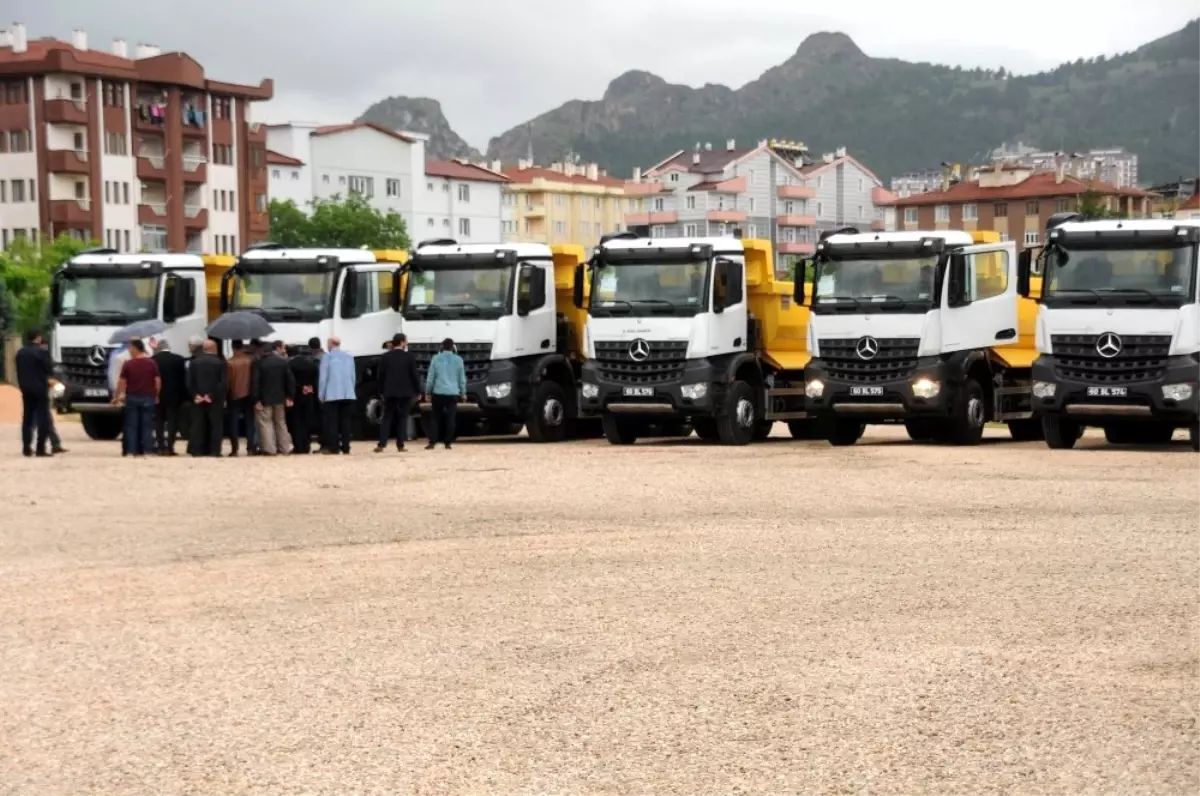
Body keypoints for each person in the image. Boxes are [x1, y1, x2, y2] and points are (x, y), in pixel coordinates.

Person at [375, 332, 422, 453]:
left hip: (389, 392)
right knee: (403, 418)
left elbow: (381, 376)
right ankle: (400, 444)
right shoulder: (409, 357)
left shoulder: (385, 357)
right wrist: (418, 390)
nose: (407, 343)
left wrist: (381, 391)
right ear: (401, 342)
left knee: (387, 417)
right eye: (406, 341)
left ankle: (382, 443)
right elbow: (414, 376)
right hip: (406, 392)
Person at [114, 338, 160, 457]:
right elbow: (157, 381)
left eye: (130, 347)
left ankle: (131, 450)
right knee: (147, 425)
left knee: (132, 426)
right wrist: (156, 395)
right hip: (148, 397)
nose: (129, 350)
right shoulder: (151, 363)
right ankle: (147, 450)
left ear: (135, 348)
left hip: (132, 397)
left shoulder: (128, 364)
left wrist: (117, 396)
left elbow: (122, 382)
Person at [186, 340, 228, 457]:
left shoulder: (194, 362)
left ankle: (197, 450)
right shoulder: (220, 363)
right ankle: (214, 450)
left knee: (198, 424)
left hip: (197, 399)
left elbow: (189, 382)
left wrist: (196, 395)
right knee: (216, 425)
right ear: (214, 348)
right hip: (215, 399)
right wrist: (211, 395)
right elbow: (223, 383)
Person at [253, 340, 296, 456]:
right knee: (280, 423)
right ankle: (284, 447)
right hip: (280, 398)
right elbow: (290, 380)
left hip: (264, 399)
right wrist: (290, 396)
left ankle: (269, 448)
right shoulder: (282, 362)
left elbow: (255, 383)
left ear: (263, 351)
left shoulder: (259, 363)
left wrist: (256, 398)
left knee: (265, 423)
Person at [15, 329, 53, 457]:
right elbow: (49, 369)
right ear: (37, 338)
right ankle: (40, 447)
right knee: (43, 419)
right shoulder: (41, 352)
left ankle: (26, 447)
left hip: (26, 388)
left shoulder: (20, 353)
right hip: (40, 388)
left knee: (27, 418)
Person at [423, 337, 466, 450]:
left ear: (441, 347)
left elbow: (431, 377)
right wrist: (463, 392)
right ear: (453, 347)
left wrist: (428, 392)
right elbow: (461, 379)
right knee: (451, 418)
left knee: (435, 417)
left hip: (438, 392)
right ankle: (448, 442)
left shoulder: (436, 359)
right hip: (453, 393)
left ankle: (432, 441)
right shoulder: (459, 360)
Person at [318, 336, 357, 454]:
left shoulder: (327, 357)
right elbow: (353, 376)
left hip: (332, 394)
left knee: (332, 422)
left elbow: (323, 378)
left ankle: (333, 447)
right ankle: (346, 447)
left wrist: (321, 394)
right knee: (346, 422)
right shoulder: (349, 357)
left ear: (331, 344)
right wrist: (351, 389)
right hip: (348, 393)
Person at [151, 339, 187, 455]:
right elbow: (183, 379)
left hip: (158, 394)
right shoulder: (179, 359)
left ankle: (160, 446)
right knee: (172, 421)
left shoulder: (153, 360)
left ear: (159, 348)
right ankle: (170, 446)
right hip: (174, 395)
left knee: (159, 421)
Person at [225, 340, 258, 456]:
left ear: (232, 348)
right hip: (249, 394)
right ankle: (251, 447)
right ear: (243, 347)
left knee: (233, 423)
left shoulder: (229, 362)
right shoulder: (250, 360)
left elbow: (227, 381)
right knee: (250, 422)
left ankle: (235, 449)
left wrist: (226, 395)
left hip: (234, 395)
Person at [287, 344, 319, 454]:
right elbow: (316, 378)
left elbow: (290, 381)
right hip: (309, 395)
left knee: (295, 422)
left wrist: (301, 387)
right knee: (306, 421)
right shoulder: (311, 363)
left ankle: (298, 446)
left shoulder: (290, 364)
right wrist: (310, 387)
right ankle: (306, 445)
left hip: (296, 396)